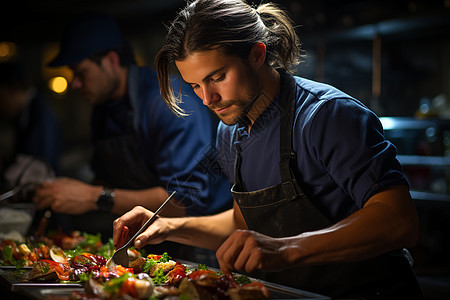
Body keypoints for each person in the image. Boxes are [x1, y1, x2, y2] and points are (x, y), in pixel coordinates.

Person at [112, 0, 424, 298]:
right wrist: (168, 226)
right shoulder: (230, 133)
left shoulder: (327, 115)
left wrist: (287, 249)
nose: (208, 99)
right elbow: (242, 225)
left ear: (257, 54)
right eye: (195, 86)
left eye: (217, 77)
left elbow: (398, 220)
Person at [33, 12, 232, 253]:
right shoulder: (103, 109)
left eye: (81, 72)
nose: (74, 83)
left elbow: (183, 202)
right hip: (145, 243)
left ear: (111, 60)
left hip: (199, 246)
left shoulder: (169, 102)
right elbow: (106, 179)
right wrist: (65, 191)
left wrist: (93, 197)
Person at [0, 62, 61, 195]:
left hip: (46, 198)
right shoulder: (25, 113)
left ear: (14, 89)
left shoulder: (40, 115)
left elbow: (39, 166)